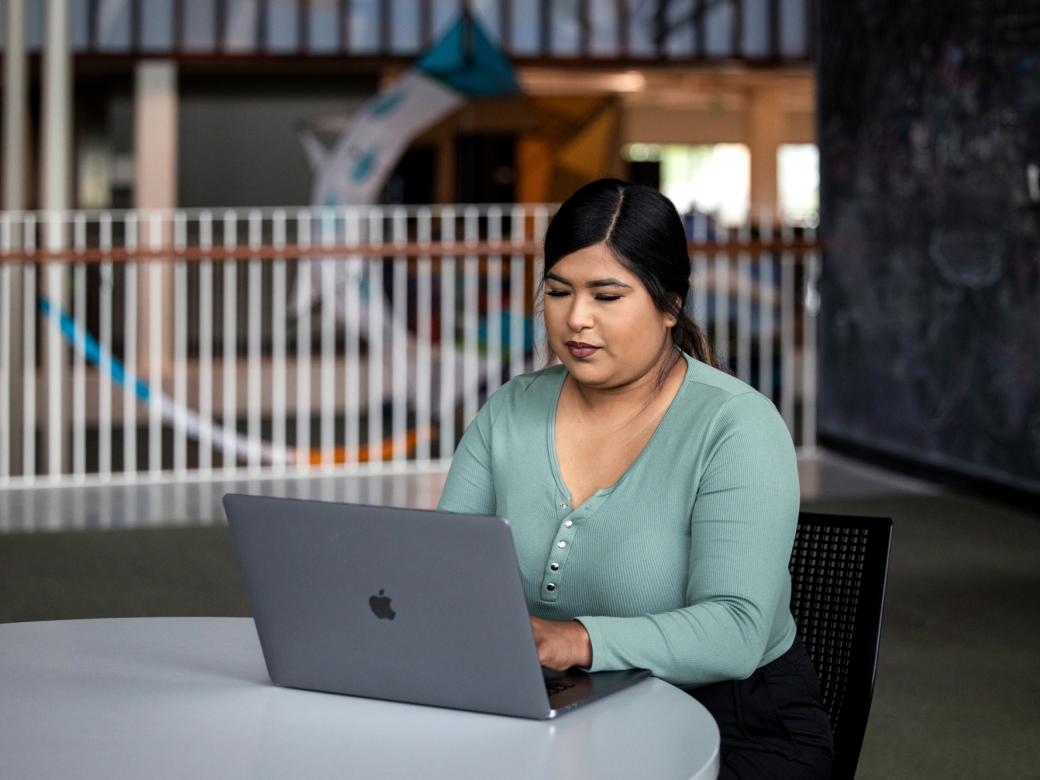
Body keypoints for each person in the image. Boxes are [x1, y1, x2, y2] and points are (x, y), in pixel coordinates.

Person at [437, 178, 833, 779]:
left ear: (670, 305)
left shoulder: (736, 424)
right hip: (559, 705)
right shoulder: (511, 409)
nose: (577, 319)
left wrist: (576, 639)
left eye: (607, 295)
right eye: (559, 291)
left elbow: (735, 630)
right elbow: (443, 569)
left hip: (732, 725)